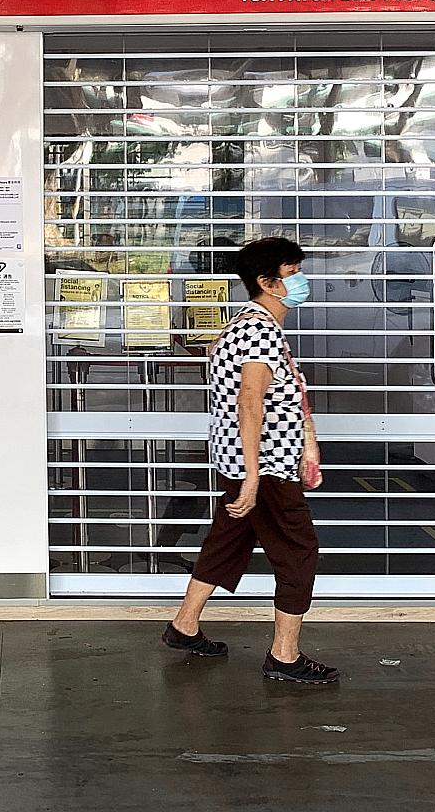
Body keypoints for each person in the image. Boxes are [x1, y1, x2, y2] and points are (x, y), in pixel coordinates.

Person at [161, 236, 339, 684]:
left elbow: (288, 395)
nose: (301, 280)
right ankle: (284, 656)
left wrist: (309, 443)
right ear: (267, 282)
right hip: (265, 467)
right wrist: (255, 477)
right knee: (298, 553)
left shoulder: (247, 325)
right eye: (292, 272)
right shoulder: (258, 333)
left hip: (247, 462)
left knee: (228, 540)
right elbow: (250, 403)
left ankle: (184, 625)